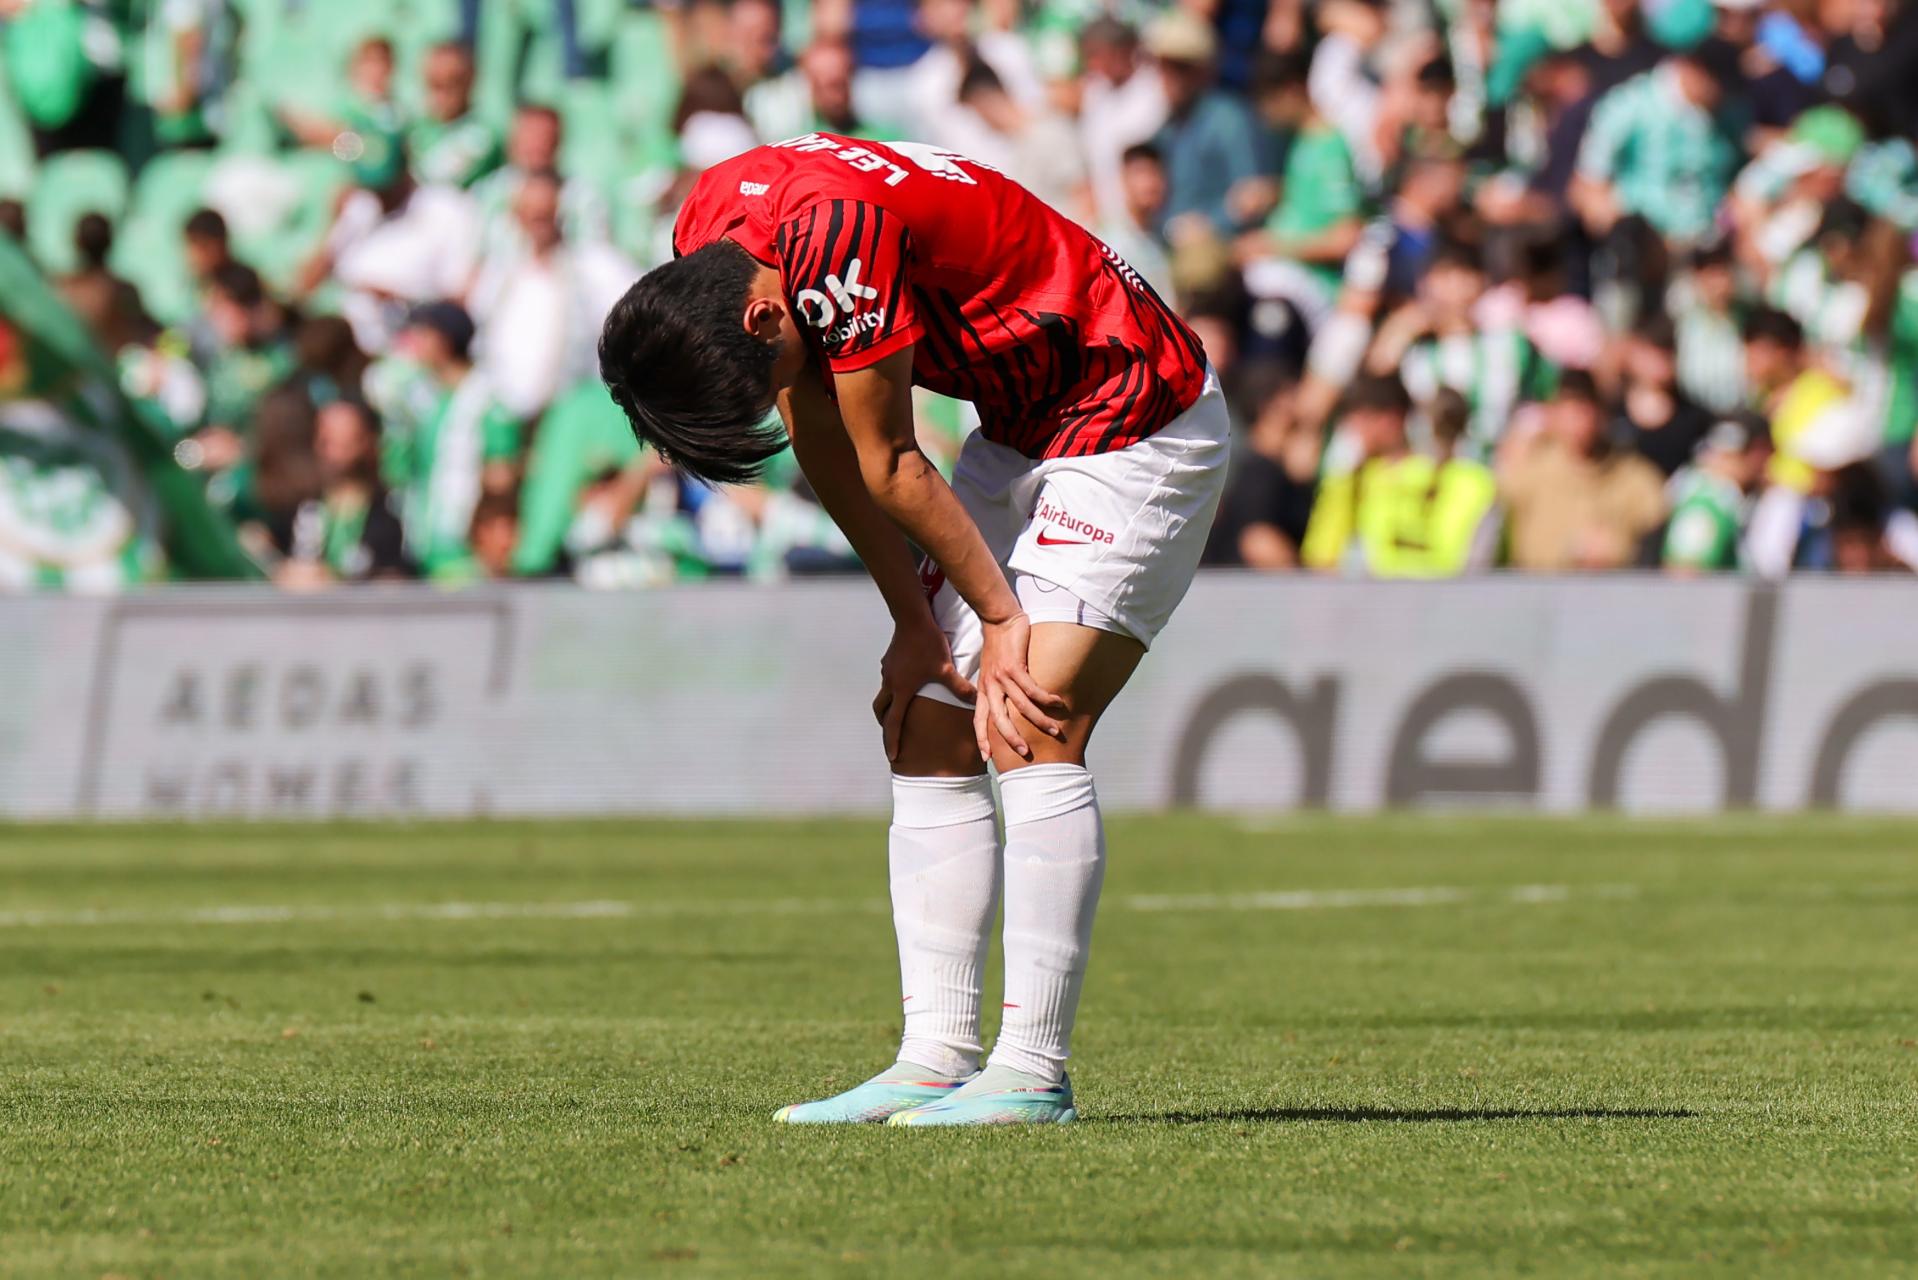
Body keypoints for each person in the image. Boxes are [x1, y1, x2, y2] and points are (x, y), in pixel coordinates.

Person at [599, 131, 1228, 1126]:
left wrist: (1001, 617)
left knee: (1029, 716)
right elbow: (820, 428)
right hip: (1019, 424)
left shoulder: (831, 239)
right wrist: (911, 620)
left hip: (1134, 413)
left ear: (761, 315)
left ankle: (1032, 1071)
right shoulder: (713, 229)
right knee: (927, 718)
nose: (774, 393)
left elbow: (888, 457)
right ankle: (934, 1057)